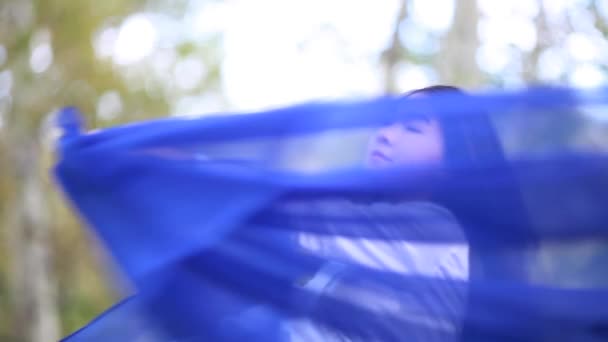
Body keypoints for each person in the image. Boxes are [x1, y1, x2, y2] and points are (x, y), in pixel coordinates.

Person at [283, 85, 534, 341]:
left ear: (455, 162)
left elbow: (296, 220)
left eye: (412, 127)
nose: (385, 135)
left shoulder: (436, 230)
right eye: (387, 122)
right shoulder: (367, 237)